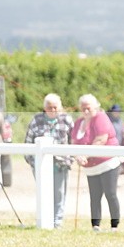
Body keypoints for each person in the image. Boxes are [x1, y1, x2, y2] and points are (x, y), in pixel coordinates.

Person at [72, 94, 122, 232]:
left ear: (95, 107)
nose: (85, 111)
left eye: (88, 108)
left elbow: (101, 139)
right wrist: (78, 156)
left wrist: (85, 155)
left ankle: (114, 225)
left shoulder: (100, 117)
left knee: (110, 194)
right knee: (94, 196)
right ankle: (95, 225)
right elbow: (74, 143)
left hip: (107, 161)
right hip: (91, 166)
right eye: (83, 108)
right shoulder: (78, 123)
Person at [24, 94, 75, 228]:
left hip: (60, 164)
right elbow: (28, 143)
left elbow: (73, 142)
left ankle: (57, 222)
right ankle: (44, 221)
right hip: (40, 165)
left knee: (59, 194)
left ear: (60, 107)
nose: (52, 110)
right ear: (44, 108)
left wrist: (70, 160)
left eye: (55, 107)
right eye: (49, 107)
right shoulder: (36, 120)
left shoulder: (67, 120)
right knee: (44, 194)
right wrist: (33, 162)